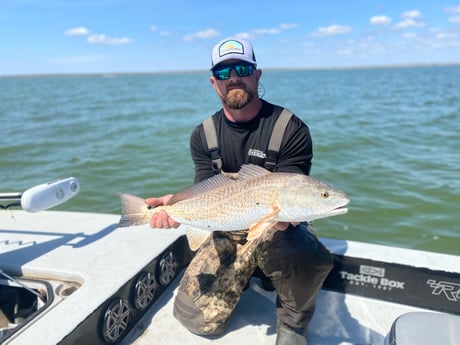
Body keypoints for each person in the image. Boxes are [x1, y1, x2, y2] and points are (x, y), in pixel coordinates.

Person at [146, 37, 333, 345]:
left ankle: (293, 324)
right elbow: (203, 190)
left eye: (242, 68)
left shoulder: (290, 128)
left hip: (279, 225)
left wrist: (284, 218)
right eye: (223, 73)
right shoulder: (203, 135)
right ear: (213, 82)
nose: (233, 77)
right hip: (225, 224)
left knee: (304, 253)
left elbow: (295, 191)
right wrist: (176, 207)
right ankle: (242, 276)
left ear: (257, 74)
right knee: (197, 320)